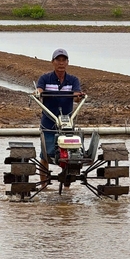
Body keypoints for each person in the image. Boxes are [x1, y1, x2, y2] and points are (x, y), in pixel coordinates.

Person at [35, 48, 83, 186]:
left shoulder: (73, 80)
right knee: (45, 155)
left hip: (66, 123)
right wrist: (38, 93)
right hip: (49, 122)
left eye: (64, 60)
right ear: (53, 62)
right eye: (58, 60)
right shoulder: (45, 78)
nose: (61, 63)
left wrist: (78, 96)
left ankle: (67, 183)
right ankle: (43, 185)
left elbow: (76, 95)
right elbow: (40, 89)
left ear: (67, 62)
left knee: (70, 153)